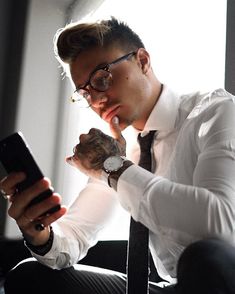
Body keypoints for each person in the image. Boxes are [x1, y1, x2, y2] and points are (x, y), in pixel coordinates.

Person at [1, 16, 235, 294]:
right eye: (85, 94)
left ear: (143, 61)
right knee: (28, 276)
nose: (97, 101)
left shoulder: (216, 111)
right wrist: (40, 233)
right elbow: (74, 237)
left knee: (207, 258)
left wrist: (112, 167)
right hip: (171, 288)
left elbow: (221, 226)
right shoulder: (120, 153)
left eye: (102, 78)